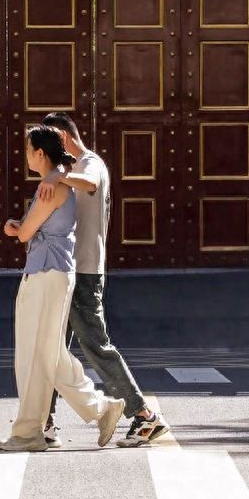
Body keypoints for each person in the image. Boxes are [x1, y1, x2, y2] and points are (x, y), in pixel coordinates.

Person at [36, 112, 171, 447]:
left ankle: (144, 417)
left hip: (84, 271)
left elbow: (90, 184)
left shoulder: (89, 163)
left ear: (63, 136)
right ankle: (44, 422)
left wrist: (58, 177)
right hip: (66, 269)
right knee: (52, 349)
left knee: (95, 345)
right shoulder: (67, 169)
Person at [0, 124, 125, 454]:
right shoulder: (58, 182)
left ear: (40, 154)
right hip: (54, 273)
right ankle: (99, 409)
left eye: (28, 149)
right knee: (49, 353)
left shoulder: (50, 187)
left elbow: (26, 233)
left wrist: (13, 228)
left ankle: (28, 432)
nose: (25, 155)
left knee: (33, 353)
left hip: (45, 274)